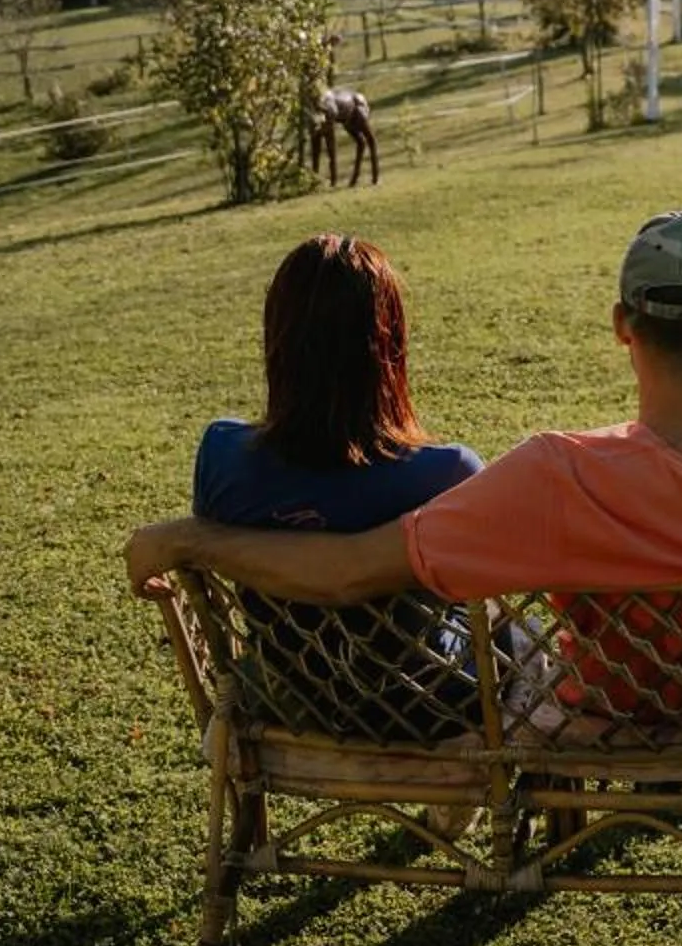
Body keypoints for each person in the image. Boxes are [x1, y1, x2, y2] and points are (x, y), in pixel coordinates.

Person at [128, 210, 682, 757]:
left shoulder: (554, 475)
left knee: (525, 659)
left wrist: (192, 537)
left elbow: (347, 573)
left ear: (622, 324)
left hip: (605, 727)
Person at [189, 233, 482, 737]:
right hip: (434, 711)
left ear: (277, 340)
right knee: (514, 629)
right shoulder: (448, 473)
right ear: (388, 344)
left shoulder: (222, 458)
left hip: (288, 705)